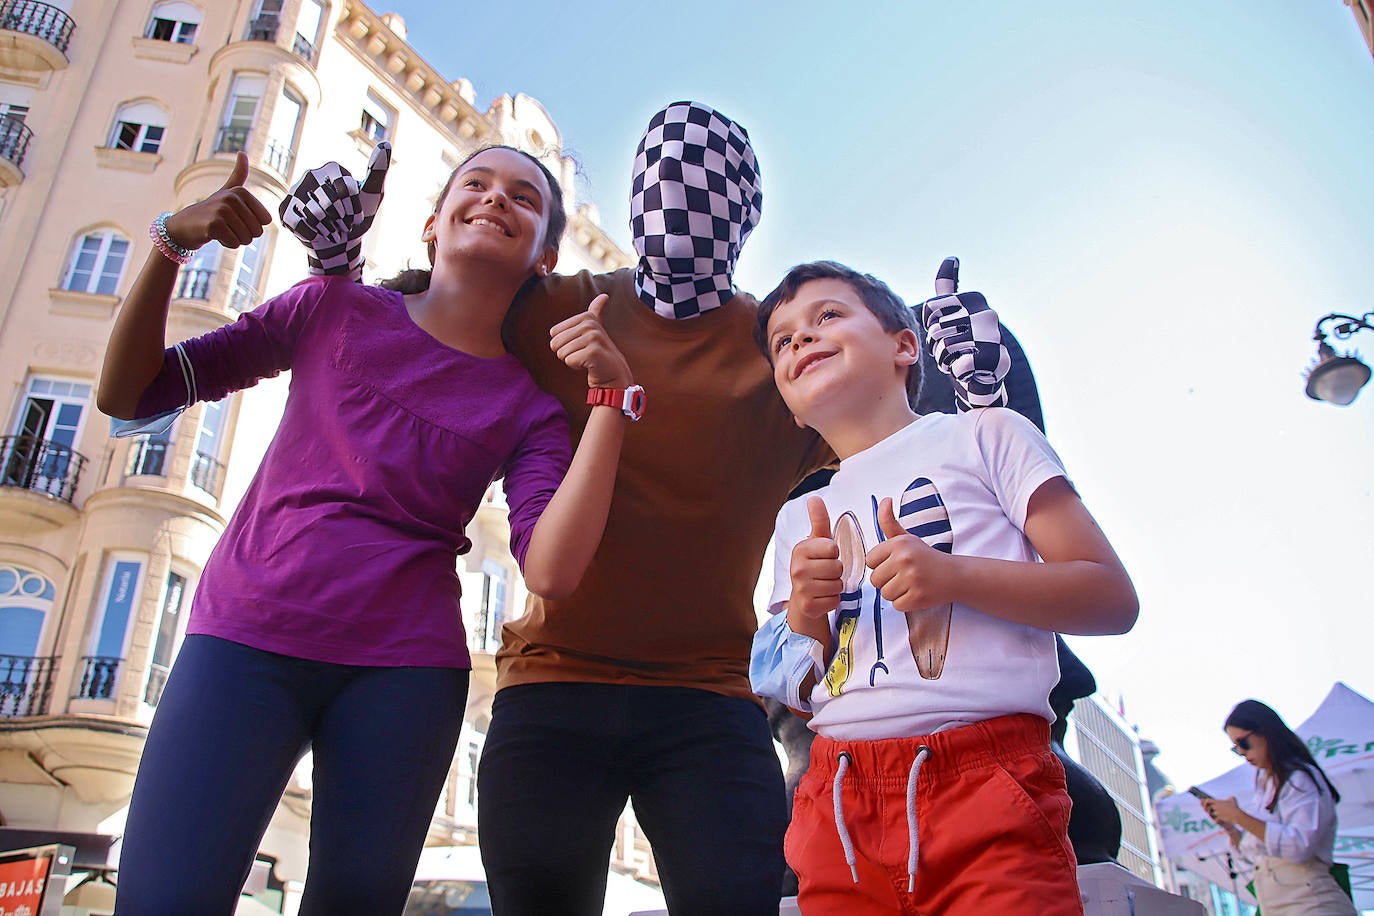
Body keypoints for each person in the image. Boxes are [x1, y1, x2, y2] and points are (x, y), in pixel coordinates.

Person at [280, 101, 1016, 915]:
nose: (681, 203)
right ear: (634, 197)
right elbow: (432, 322)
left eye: (710, 187)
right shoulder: (559, 306)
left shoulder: (779, 349)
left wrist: (970, 383)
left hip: (712, 698)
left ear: (747, 216)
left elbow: (903, 436)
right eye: (660, 179)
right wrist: (338, 265)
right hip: (554, 682)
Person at [98, 144, 637, 915]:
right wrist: (171, 243)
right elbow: (128, 394)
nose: (494, 199)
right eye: (475, 184)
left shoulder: (530, 410)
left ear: (545, 256)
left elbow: (550, 571)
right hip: (245, 639)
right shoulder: (329, 306)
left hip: (405, 677)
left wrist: (612, 402)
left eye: (522, 197)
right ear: (431, 225)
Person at [750, 260, 1138, 913]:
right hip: (838, 803)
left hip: (991, 778)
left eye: (827, 316)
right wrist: (807, 617)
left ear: (907, 345)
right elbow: (786, 688)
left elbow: (1110, 596)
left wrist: (954, 576)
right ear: (785, 400)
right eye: (782, 341)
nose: (801, 341)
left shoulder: (989, 435)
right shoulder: (797, 517)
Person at [1201, 700, 1356, 915]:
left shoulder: (1300, 779)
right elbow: (1258, 851)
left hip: (1312, 904)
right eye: (1236, 748)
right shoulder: (1267, 784)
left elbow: (1300, 846)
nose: (1242, 752)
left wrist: (1239, 816)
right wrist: (1231, 827)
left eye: (1243, 743)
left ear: (1266, 733)